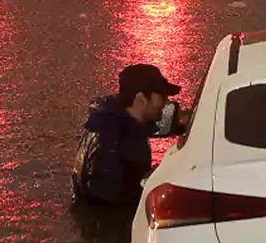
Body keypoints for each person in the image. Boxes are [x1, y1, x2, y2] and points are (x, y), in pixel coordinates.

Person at [71, 63, 188, 206]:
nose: (166, 102)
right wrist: (152, 182)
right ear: (141, 99)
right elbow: (108, 198)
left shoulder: (114, 123)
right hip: (109, 224)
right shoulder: (113, 141)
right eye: (161, 96)